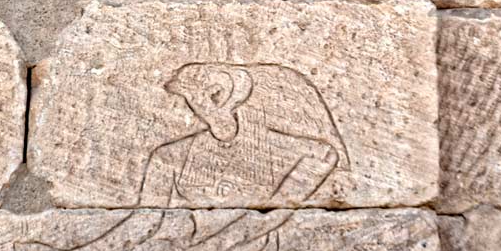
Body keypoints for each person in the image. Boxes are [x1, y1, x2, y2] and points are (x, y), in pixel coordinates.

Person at [139, 63, 349, 208]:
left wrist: (281, 204)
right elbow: (150, 220)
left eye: (190, 95)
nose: (188, 103)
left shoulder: (273, 145)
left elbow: (326, 153)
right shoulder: (168, 155)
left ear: (217, 95)